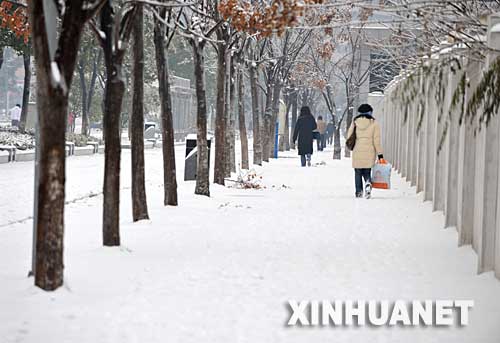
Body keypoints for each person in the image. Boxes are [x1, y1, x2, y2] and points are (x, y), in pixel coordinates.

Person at [347, 104, 383, 198]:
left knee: (358, 172)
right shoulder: (374, 123)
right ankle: (368, 183)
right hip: (369, 151)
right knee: (367, 171)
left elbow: (349, 136)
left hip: (357, 150)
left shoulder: (355, 122)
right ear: (370, 112)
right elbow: (377, 141)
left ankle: (359, 192)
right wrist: (380, 154)